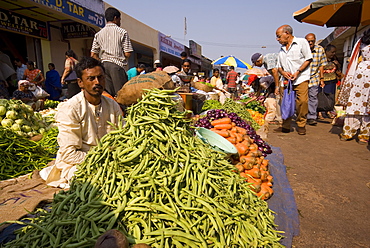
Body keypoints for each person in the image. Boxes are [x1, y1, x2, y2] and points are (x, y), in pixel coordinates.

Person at [40, 57, 123, 188]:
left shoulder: (112, 105)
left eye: (100, 77)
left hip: (111, 158)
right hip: (79, 162)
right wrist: (101, 159)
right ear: (80, 83)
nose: (97, 82)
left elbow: (123, 136)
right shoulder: (71, 108)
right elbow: (69, 153)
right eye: (91, 78)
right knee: (85, 181)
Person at [274, 24, 312, 135]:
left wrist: (298, 71)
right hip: (287, 80)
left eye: (279, 36)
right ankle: (285, 125)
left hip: (301, 78)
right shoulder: (281, 50)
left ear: (287, 33)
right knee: (286, 102)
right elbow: (279, 66)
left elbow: (308, 59)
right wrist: (283, 73)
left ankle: (301, 124)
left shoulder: (301, 42)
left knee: (302, 102)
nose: (277, 39)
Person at [91, 7, 133, 97]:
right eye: (119, 19)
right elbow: (128, 52)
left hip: (104, 66)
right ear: (115, 18)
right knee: (122, 95)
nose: (120, 22)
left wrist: (101, 61)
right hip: (117, 66)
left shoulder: (98, 34)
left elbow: (93, 54)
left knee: (108, 96)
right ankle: (122, 111)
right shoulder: (122, 32)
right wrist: (121, 57)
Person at [338, 29, 370, 145]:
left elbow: (354, 57)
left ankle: (348, 132)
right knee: (367, 107)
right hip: (364, 74)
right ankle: (364, 135)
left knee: (356, 104)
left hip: (360, 73)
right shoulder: (361, 41)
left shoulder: (361, 41)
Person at [251, 52, 282, 125]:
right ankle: (280, 118)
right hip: (280, 79)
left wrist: (277, 86)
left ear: (259, 61)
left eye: (255, 64)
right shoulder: (265, 63)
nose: (256, 66)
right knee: (279, 99)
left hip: (282, 79)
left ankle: (280, 119)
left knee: (278, 99)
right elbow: (257, 94)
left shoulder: (268, 59)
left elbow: (275, 71)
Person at [305, 33, 327, 126]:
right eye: (308, 41)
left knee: (313, 98)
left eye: (312, 41)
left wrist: (322, 79)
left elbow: (322, 65)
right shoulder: (301, 49)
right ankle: (301, 115)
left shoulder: (320, 49)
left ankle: (311, 117)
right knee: (302, 99)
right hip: (303, 78)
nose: (310, 43)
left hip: (314, 78)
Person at [318, 44, 343, 119]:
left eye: (334, 52)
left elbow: (338, 70)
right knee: (321, 97)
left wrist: (337, 65)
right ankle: (319, 113)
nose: (333, 54)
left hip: (332, 81)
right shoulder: (321, 60)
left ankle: (328, 111)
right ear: (327, 52)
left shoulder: (334, 61)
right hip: (322, 81)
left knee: (330, 97)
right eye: (332, 52)